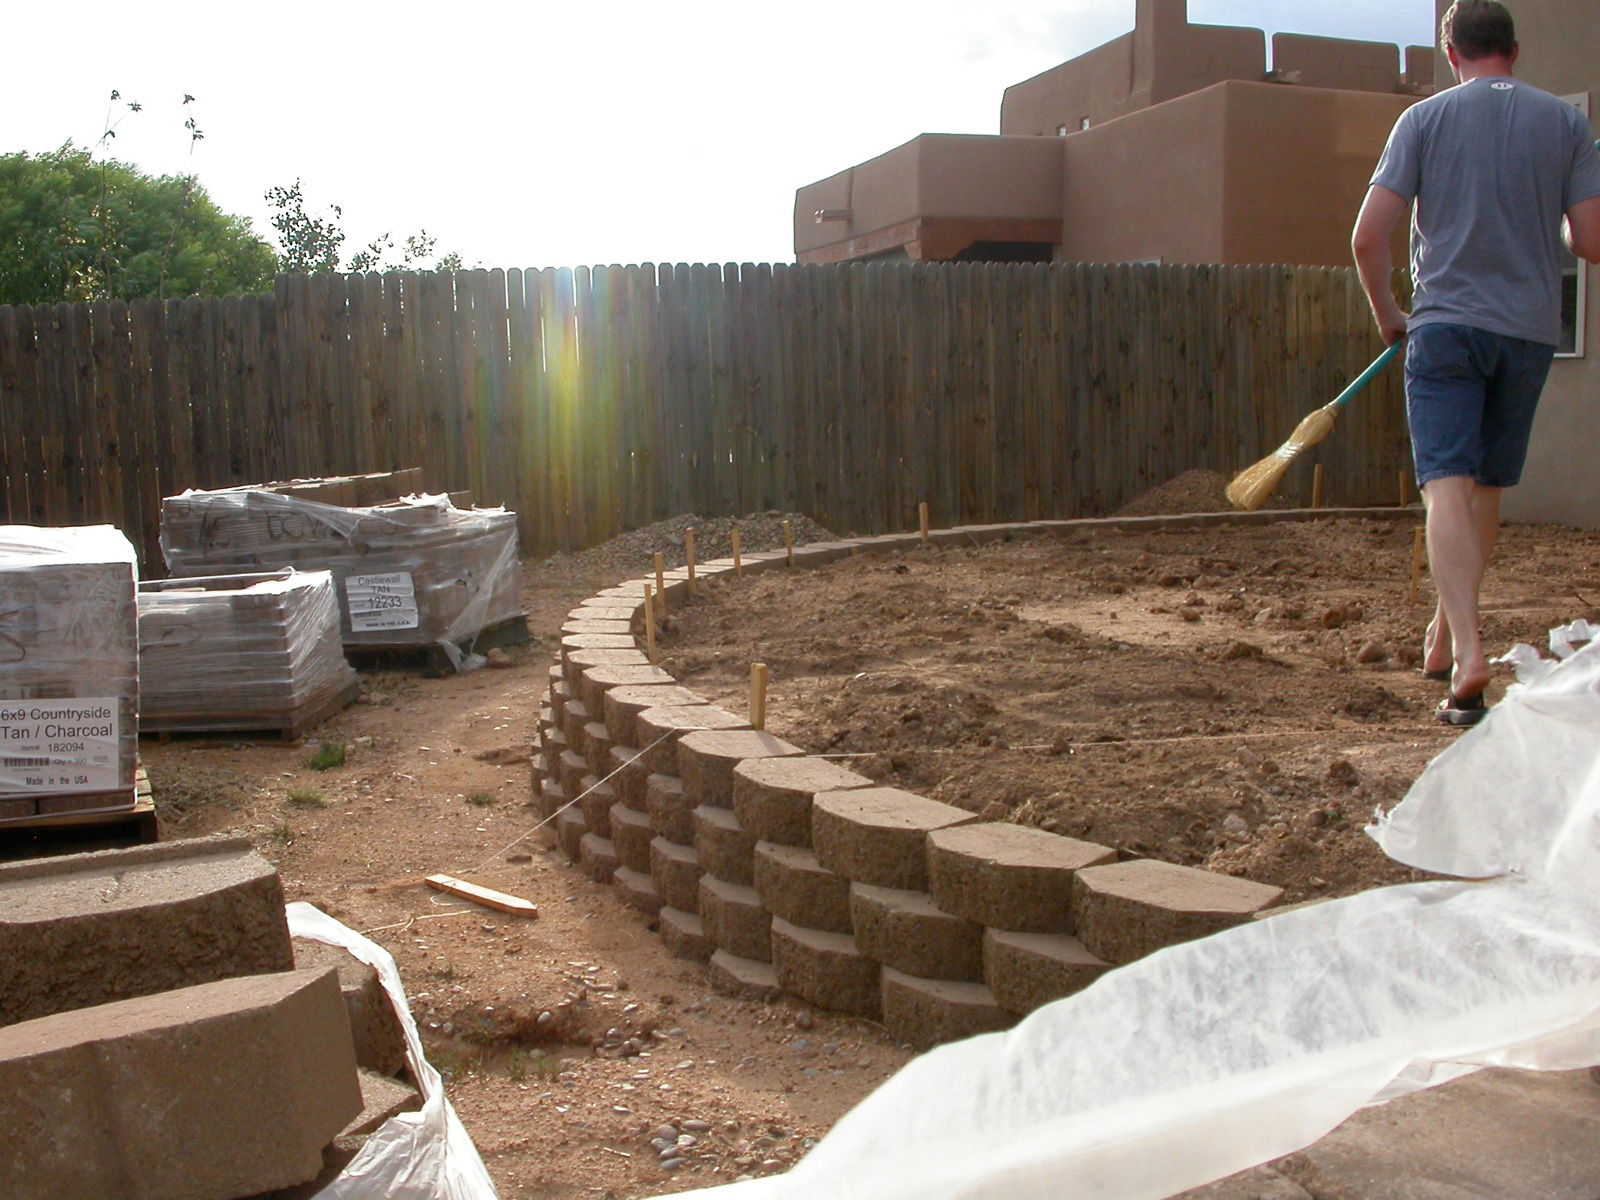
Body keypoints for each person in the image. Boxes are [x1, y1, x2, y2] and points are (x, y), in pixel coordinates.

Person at [1351, 0, 1600, 726]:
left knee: (1445, 488)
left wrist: (1391, 317)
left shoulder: (1422, 121)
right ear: (1513, 52)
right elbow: (1589, 240)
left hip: (1446, 330)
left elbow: (1368, 238)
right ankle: (1442, 634)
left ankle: (1467, 656)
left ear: (1452, 52)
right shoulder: (1567, 123)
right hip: (1526, 333)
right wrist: (1543, 208)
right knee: (1484, 490)